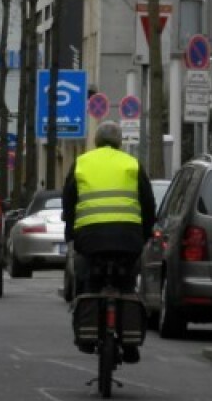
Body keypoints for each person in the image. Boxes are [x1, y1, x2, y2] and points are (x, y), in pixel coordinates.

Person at [60, 120, 156, 361]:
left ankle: (87, 334)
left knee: (90, 280)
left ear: (96, 141)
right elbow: (148, 205)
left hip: (90, 240)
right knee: (126, 284)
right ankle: (130, 342)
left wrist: (70, 232)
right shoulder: (132, 164)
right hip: (128, 240)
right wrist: (143, 235)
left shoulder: (82, 163)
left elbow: (68, 201)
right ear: (119, 142)